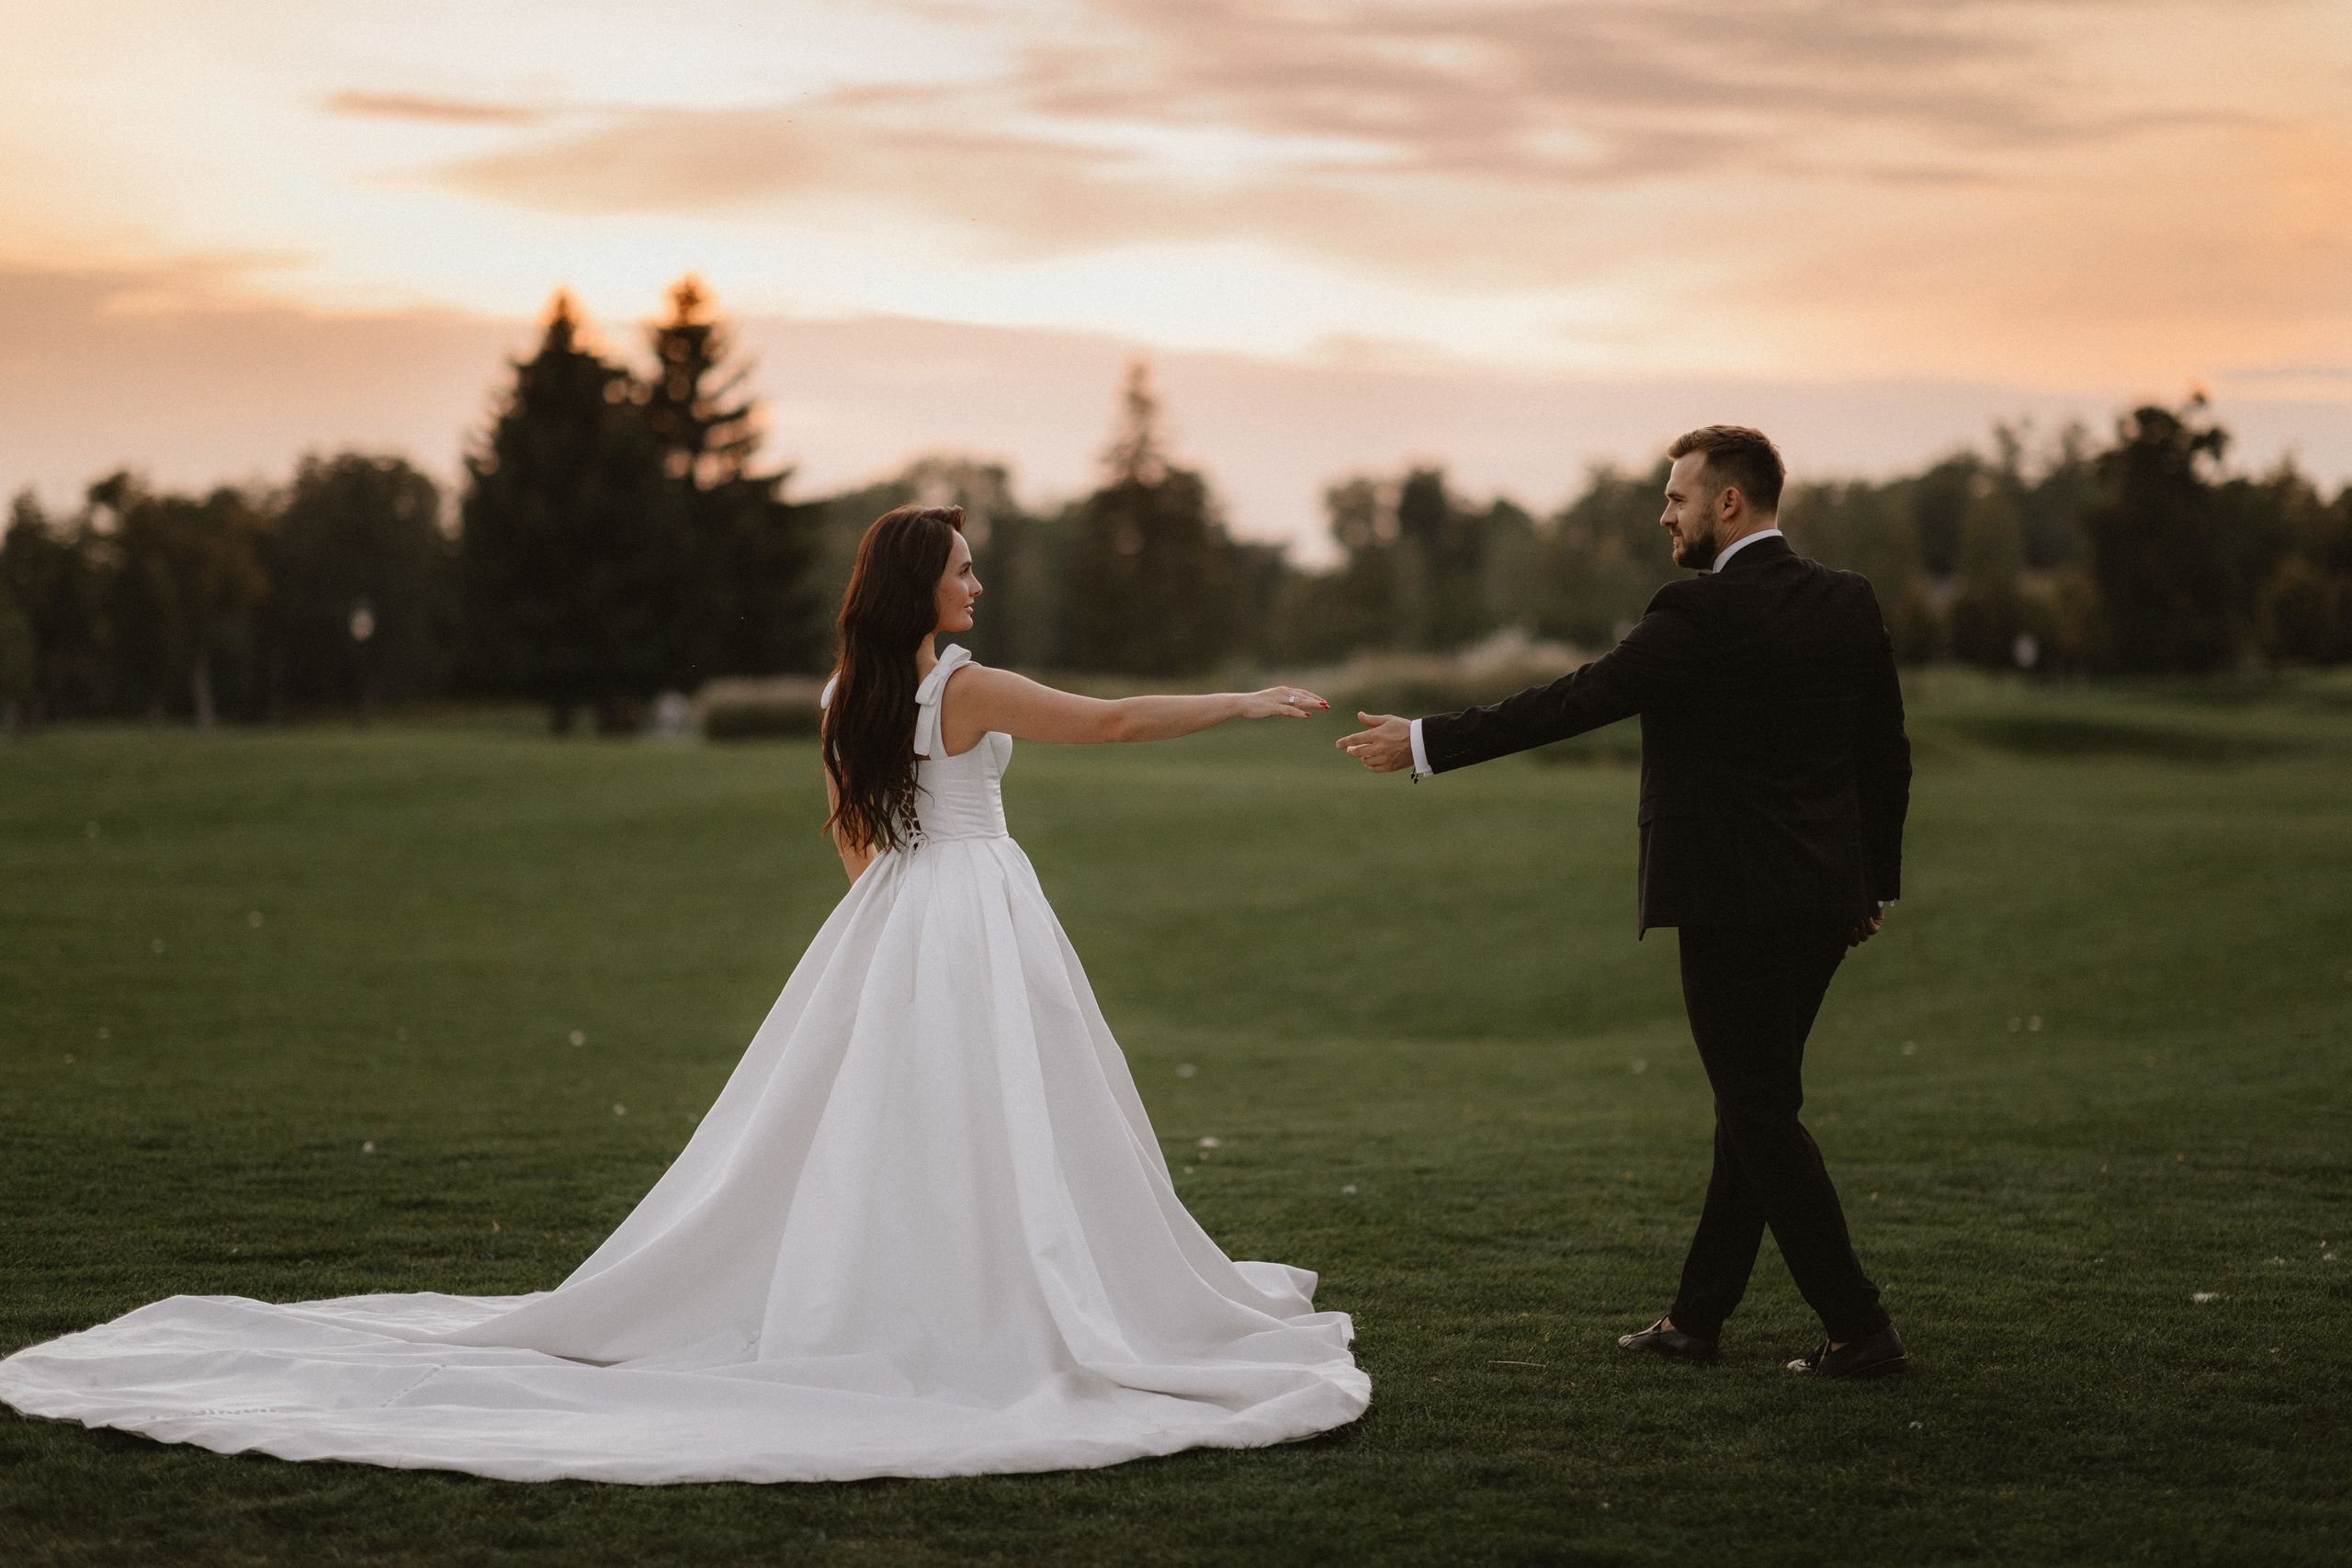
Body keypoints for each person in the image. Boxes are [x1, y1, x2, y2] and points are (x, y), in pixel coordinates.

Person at [0, 504, 1369, 1483]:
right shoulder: (963, 686)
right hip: (971, 904)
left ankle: (922, 1283)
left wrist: (889, 913)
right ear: (922, 585)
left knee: (901, 1115)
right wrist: (1246, 700)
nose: (976, 586)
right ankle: (993, 1301)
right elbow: (1116, 719)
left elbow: (848, 821)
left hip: (900, 907)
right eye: (962, 570)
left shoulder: (852, 684)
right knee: (997, 1108)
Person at [1337, 426, 1913, 1379]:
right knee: (1752, 1105)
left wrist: (1429, 739)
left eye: (1676, 498)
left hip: (1731, 907)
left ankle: (1859, 1326)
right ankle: (1695, 1321)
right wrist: (1871, 882)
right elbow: (1882, 755)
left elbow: (1578, 698)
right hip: (1821, 907)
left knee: (1758, 1113)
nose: (1664, 515)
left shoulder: (1698, 614)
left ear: (1728, 503)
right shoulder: (1844, 602)